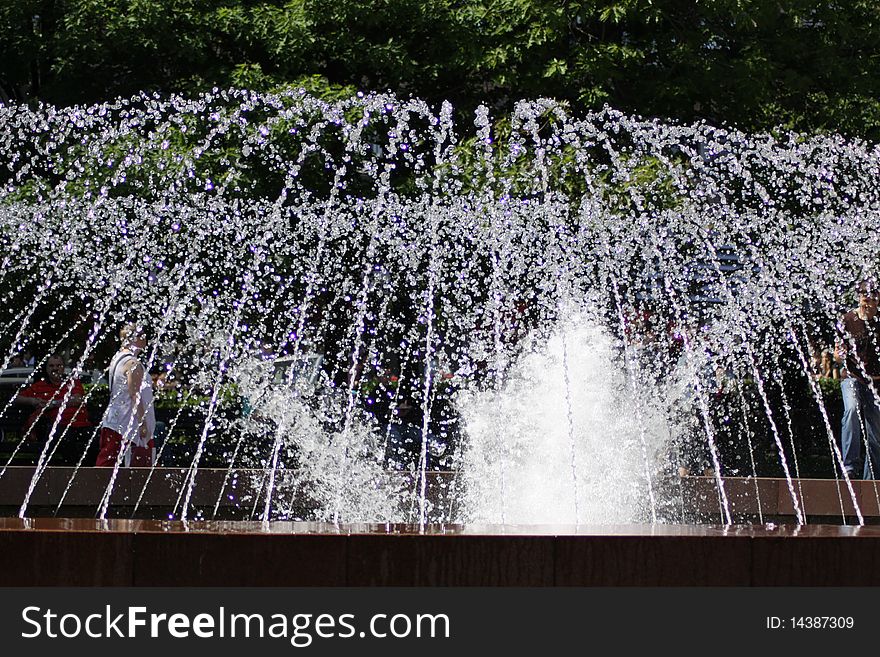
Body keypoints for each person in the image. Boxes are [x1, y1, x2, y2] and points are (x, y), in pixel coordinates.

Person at [836, 279, 880, 479]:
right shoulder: (847, 320)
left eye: (873, 299)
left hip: (877, 382)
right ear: (860, 298)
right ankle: (850, 467)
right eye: (865, 298)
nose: (869, 304)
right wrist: (839, 354)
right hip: (852, 378)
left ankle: (871, 477)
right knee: (852, 409)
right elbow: (837, 355)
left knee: (875, 429)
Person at [15, 354, 95, 464]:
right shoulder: (40, 386)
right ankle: (73, 471)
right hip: (60, 426)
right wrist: (33, 401)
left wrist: (53, 403)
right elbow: (16, 398)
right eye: (51, 365)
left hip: (82, 425)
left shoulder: (72, 382)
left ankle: (91, 472)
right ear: (47, 369)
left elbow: (77, 400)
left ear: (63, 367)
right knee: (64, 438)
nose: (55, 368)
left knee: (96, 439)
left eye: (59, 365)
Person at [95, 324, 156, 467]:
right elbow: (134, 394)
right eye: (141, 335)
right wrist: (143, 424)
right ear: (132, 339)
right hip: (128, 427)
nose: (145, 338)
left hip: (116, 422)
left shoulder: (118, 358)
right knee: (126, 469)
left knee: (108, 464)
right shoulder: (132, 363)